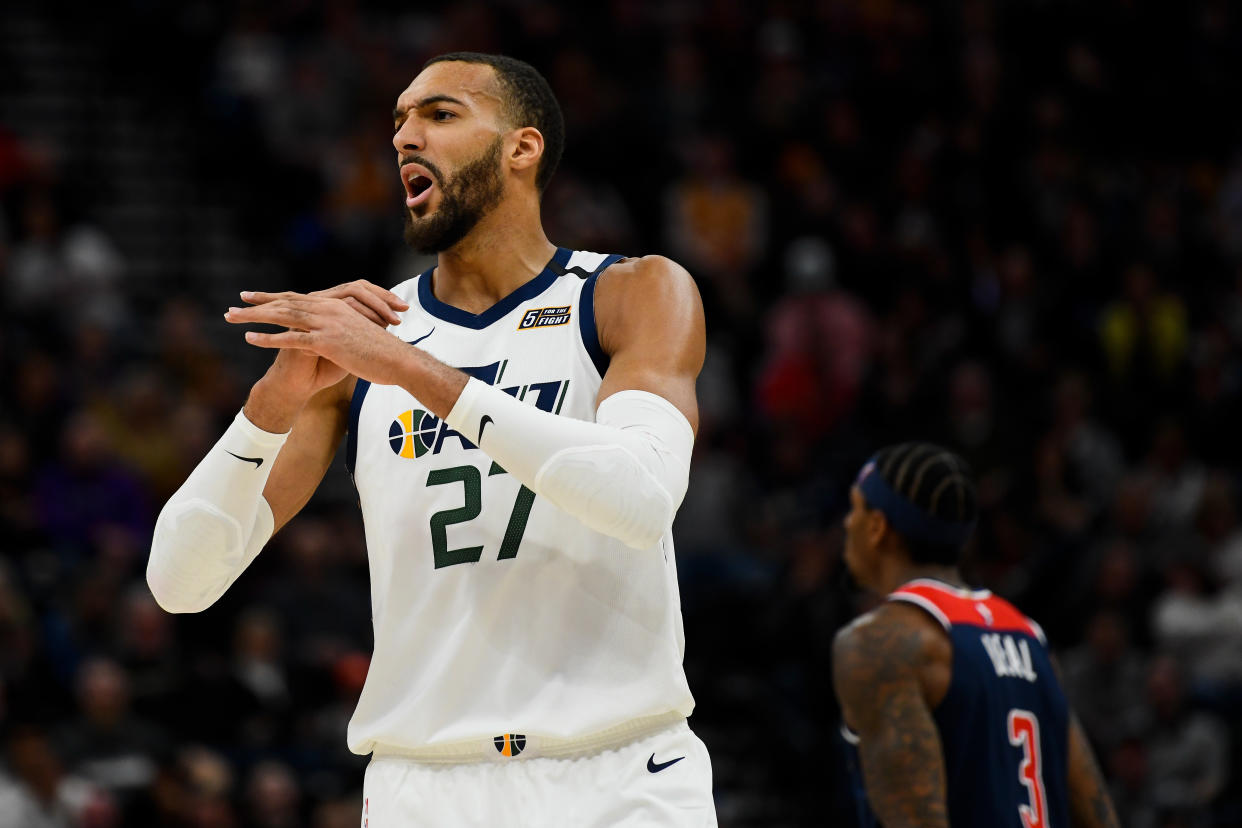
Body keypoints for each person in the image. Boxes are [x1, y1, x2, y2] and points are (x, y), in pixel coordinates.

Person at [147, 52, 715, 826]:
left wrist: (415, 373)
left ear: (523, 147)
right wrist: (269, 406)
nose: (406, 138)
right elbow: (180, 585)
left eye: (439, 115)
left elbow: (641, 498)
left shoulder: (631, 294)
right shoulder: (361, 346)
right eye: (399, 122)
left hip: (619, 774)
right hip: (426, 783)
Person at [832, 442, 1119, 827]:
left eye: (855, 508)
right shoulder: (1028, 636)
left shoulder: (882, 643)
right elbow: (1098, 814)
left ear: (878, 527)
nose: (846, 523)